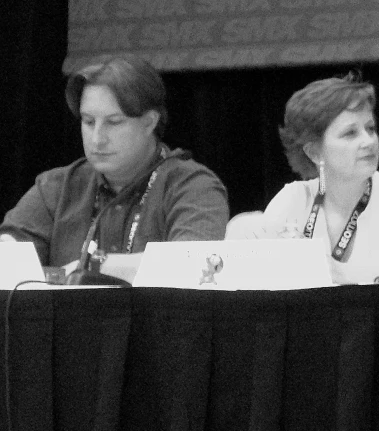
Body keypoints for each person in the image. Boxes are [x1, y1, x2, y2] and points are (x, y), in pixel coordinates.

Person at [0, 55, 229, 282]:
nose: (97, 139)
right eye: (88, 122)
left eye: (114, 122)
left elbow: (192, 264)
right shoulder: (56, 187)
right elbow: (10, 252)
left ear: (149, 122)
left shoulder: (193, 186)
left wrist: (93, 265)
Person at [257, 72, 379, 284]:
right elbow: (261, 278)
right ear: (315, 152)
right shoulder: (294, 199)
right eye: (350, 133)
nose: (368, 141)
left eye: (370, 129)